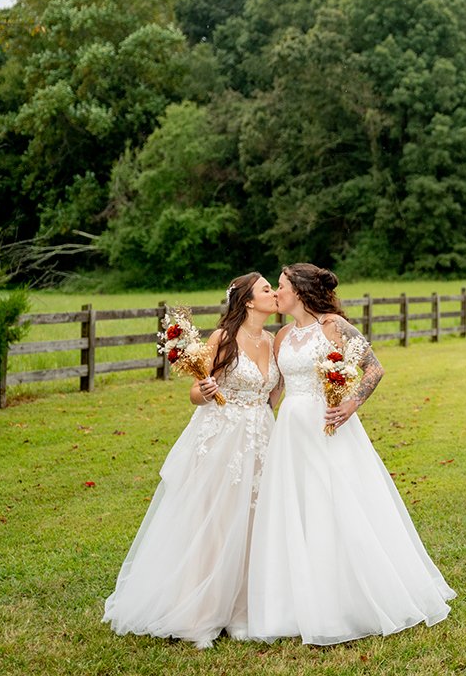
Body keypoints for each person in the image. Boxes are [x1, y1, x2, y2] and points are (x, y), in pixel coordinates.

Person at [247, 263, 455, 646]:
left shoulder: (334, 327)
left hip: (328, 427)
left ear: (300, 291)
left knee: (335, 502)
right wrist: (250, 413)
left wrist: (351, 403)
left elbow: (373, 369)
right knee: (296, 506)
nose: (277, 292)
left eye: (281, 286)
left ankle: (350, 597)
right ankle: (296, 600)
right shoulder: (282, 336)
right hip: (290, 432)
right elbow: (276, 389)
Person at [103, 272, 282, 648]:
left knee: (254, 520)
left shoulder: (271, 340)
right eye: (267, 289)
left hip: (262, 436)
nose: (275, 293)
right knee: (217, 519)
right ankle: (202, 610)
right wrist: (205, 389)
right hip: (223, 437)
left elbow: (272, 393)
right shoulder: (223, 338)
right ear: (249, 301)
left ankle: (242, 611)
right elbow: (195, 394)